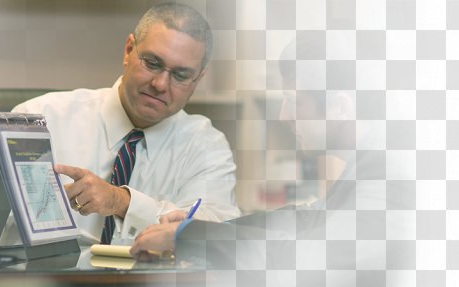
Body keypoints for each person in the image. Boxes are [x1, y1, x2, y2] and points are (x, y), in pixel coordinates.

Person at [130, 37, 416, 286]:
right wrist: (206, 227)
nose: (283, 116)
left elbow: (298, 262)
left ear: (340, 107)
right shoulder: (374, 160)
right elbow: (304, 219)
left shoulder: (392, 175)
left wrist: (188, 236)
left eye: (294, 102)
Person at [9, 2, 240, 245]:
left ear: (198, 78)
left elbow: (215, 237)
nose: (160, 84)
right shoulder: (40, 120)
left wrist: (123, 202)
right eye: (152, 63)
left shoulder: (206, 146)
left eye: (181, 75)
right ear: (128, 50)